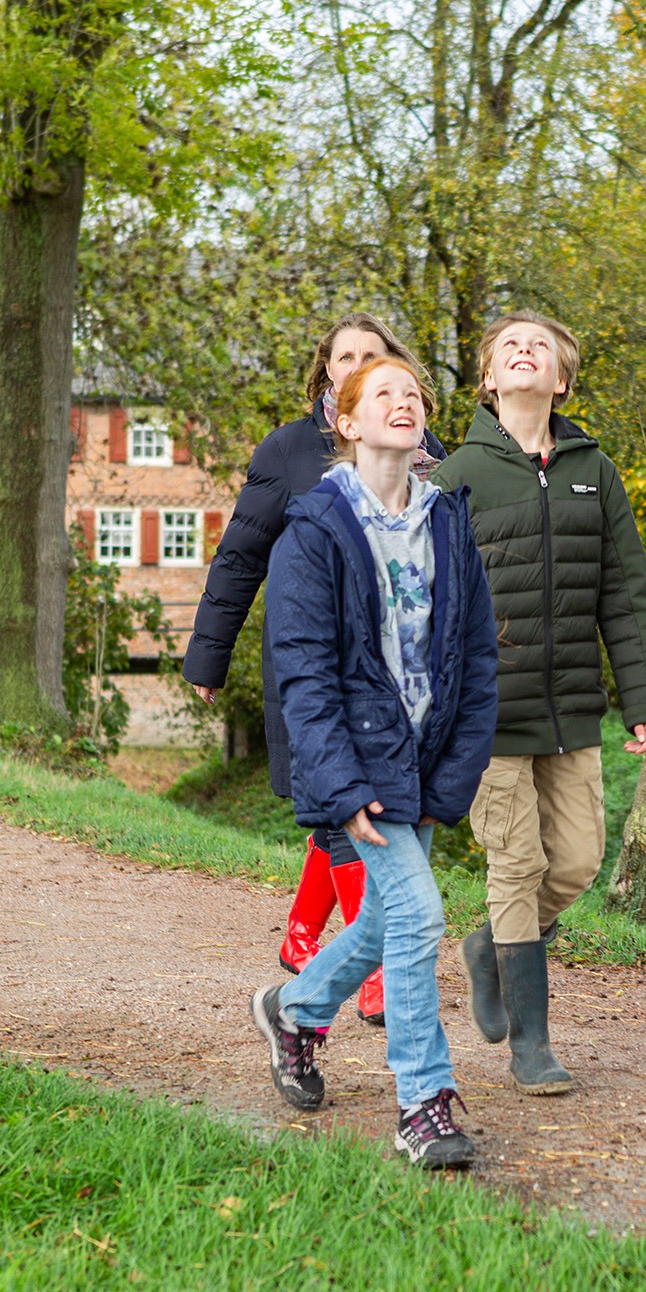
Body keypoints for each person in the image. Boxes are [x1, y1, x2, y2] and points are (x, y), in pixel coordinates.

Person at [250, 355, 498, 1169]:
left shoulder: (447, 524)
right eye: (382, 392)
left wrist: (448, 783)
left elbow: (476, 662)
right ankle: (421, 1102)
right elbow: (304, 674)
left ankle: (294, 1008)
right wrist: (344, 783)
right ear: (347, 422)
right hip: (355, 767)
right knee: (421, 919)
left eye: (415, 394)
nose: (404, 402)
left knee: (386, 921)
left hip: (420, 768)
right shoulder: (313, 531)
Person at [184, 316, 445, 1024]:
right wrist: (209, 653)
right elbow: (240, 555)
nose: (359, 366)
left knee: (365, 808)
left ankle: (303, 933)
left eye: (374, 356)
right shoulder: (290, 450)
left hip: (400, 675)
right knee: (348, 815)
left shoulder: (424, 451)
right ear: (325, 374)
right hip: (316, 667)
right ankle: (376, 976)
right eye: (346, 357)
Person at [431, 311, 646, 1096]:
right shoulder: (456, 474)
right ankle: (531, 1044)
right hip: (487, 713)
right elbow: (426, 599)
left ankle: (491, 949)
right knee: (518, 860)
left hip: (571, 710)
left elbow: (626, 594)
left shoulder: (593, 470)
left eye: (541, 347)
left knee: (577, 860)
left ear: (560, 379)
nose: (524, 351)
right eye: (509, 346)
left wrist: (642, 697)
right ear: (490, 378)